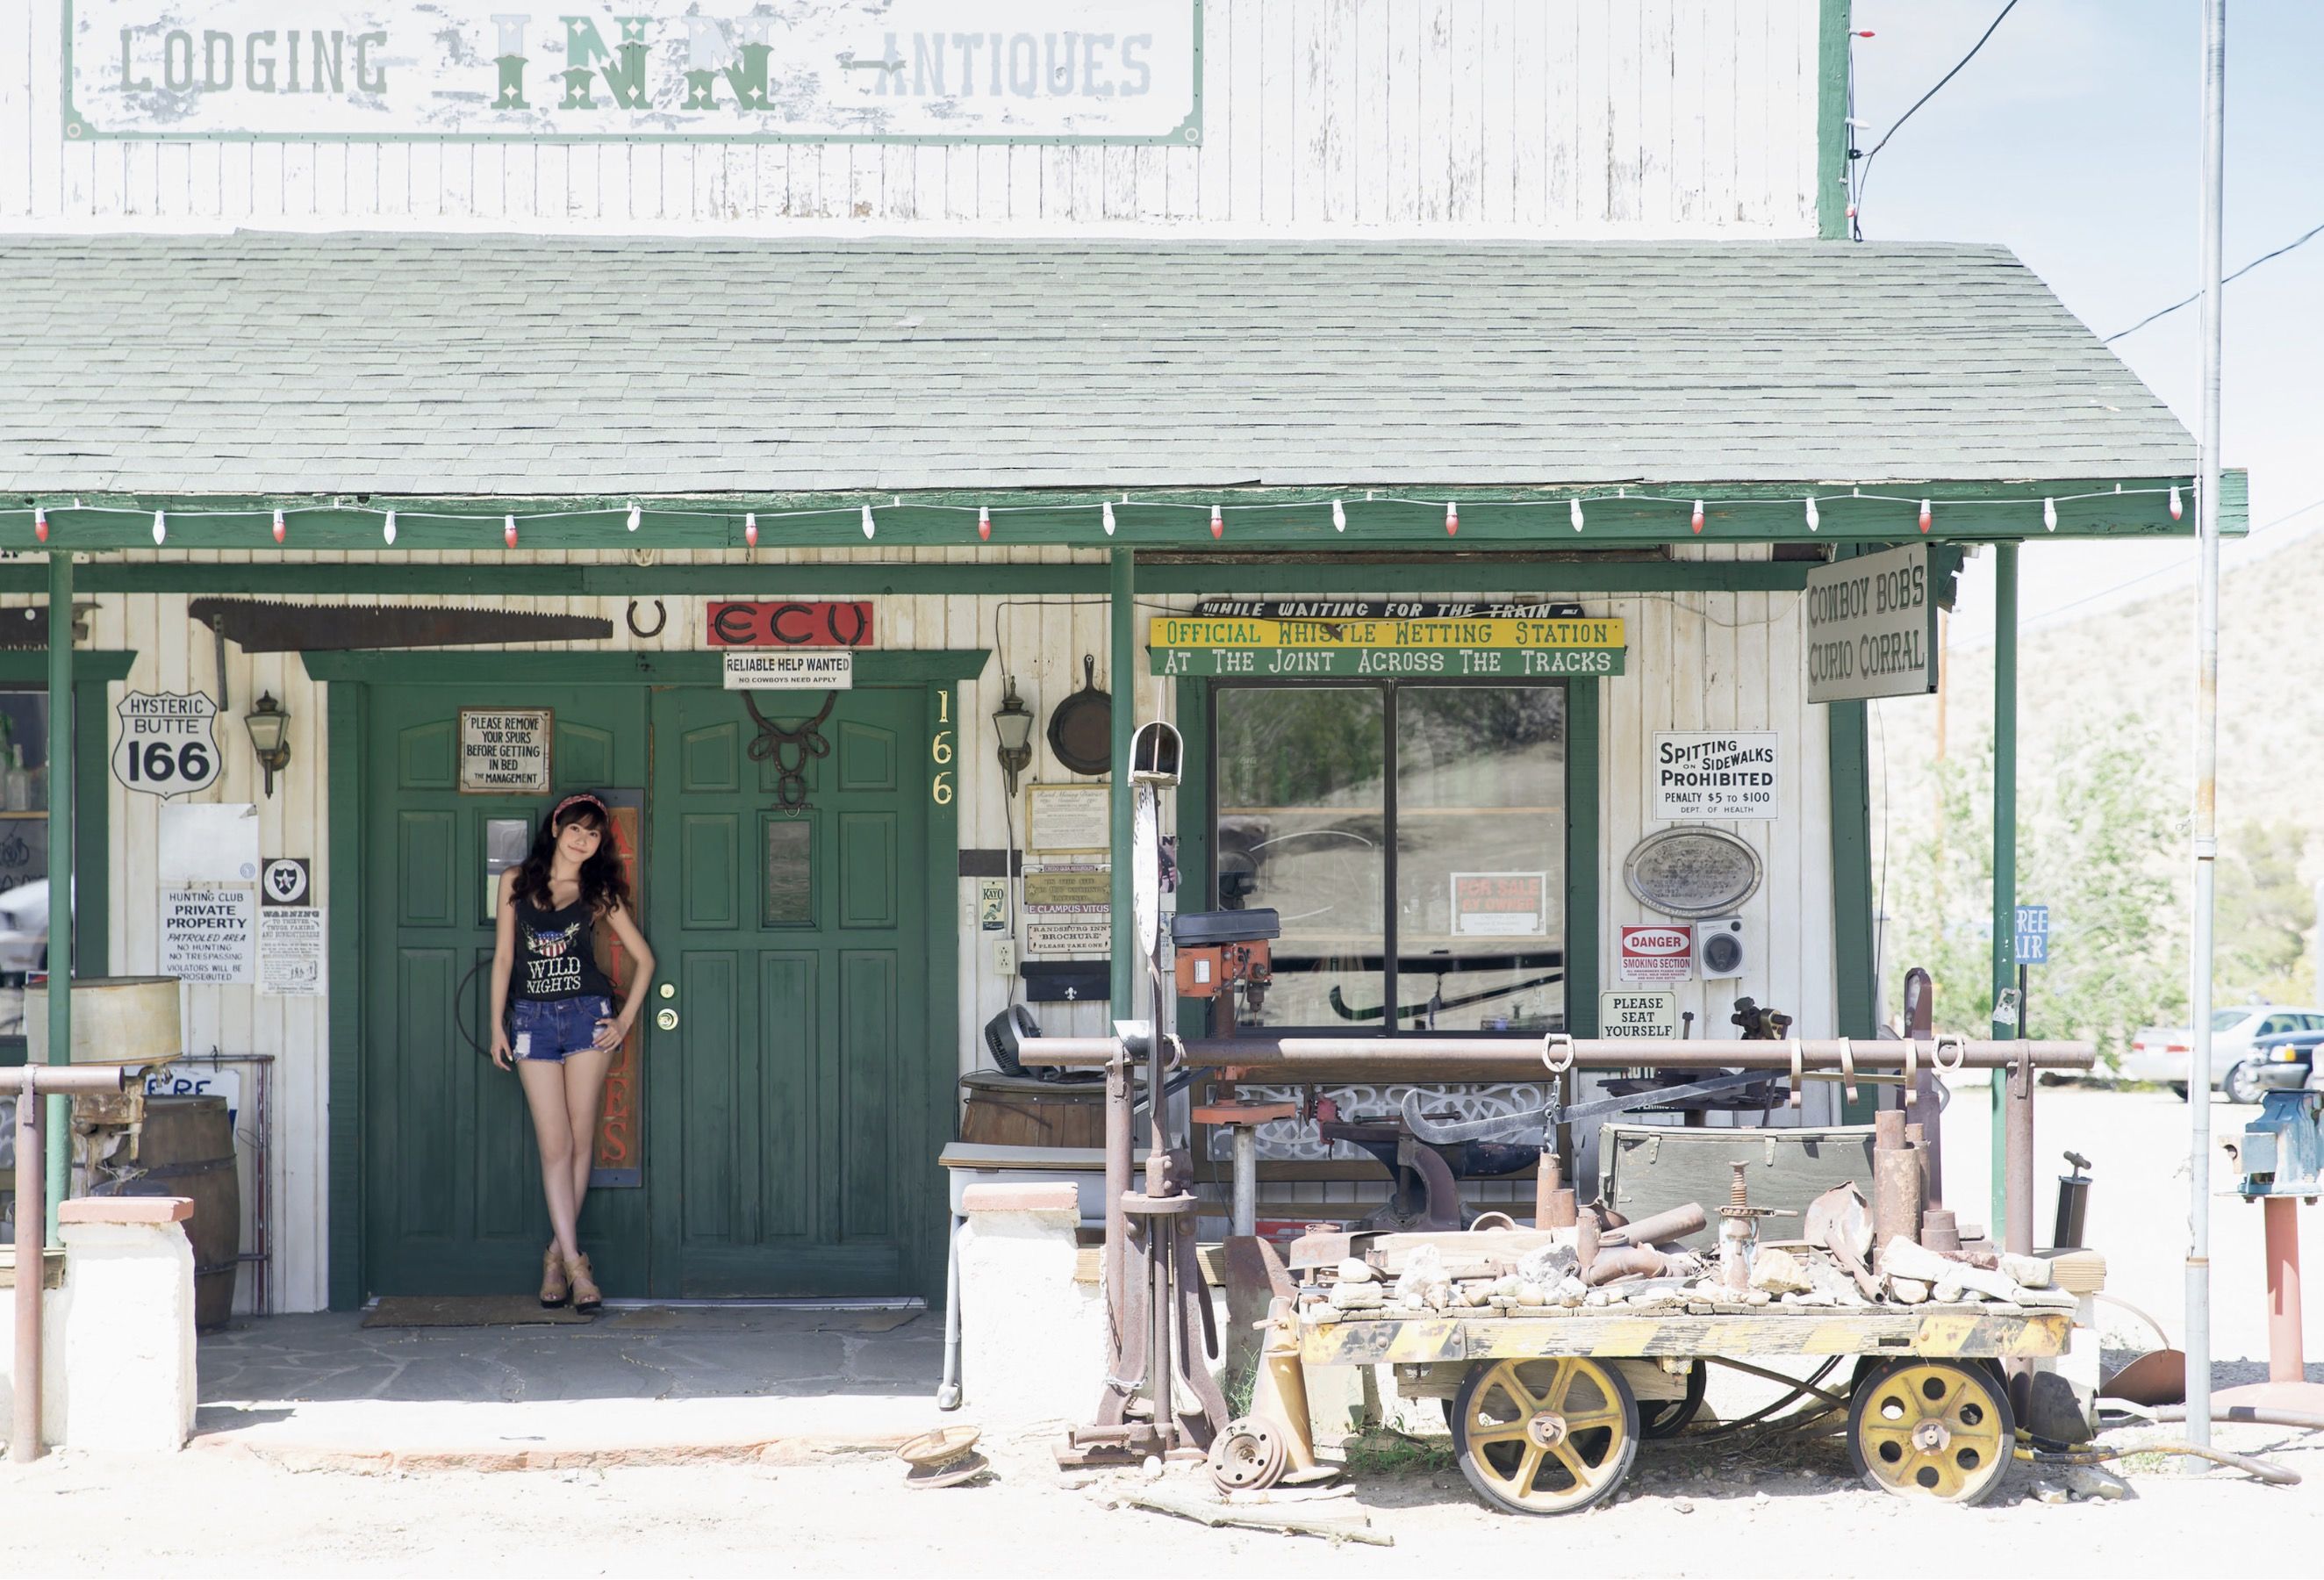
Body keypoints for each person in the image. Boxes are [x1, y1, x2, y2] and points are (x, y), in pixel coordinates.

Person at [489, 793, 653, 1312]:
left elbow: (645, 960)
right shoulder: (515, 882)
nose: (584, 840)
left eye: (594, 834)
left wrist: (623, 1022)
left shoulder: (598, 891)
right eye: (577, 829)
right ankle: (572, 1260)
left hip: (587, 1017)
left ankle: (561, 1260)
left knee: (582, 1141)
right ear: (557, 828)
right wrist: (497, 1025)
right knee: (555, 1145)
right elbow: (503, 959)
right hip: (532, 1021)